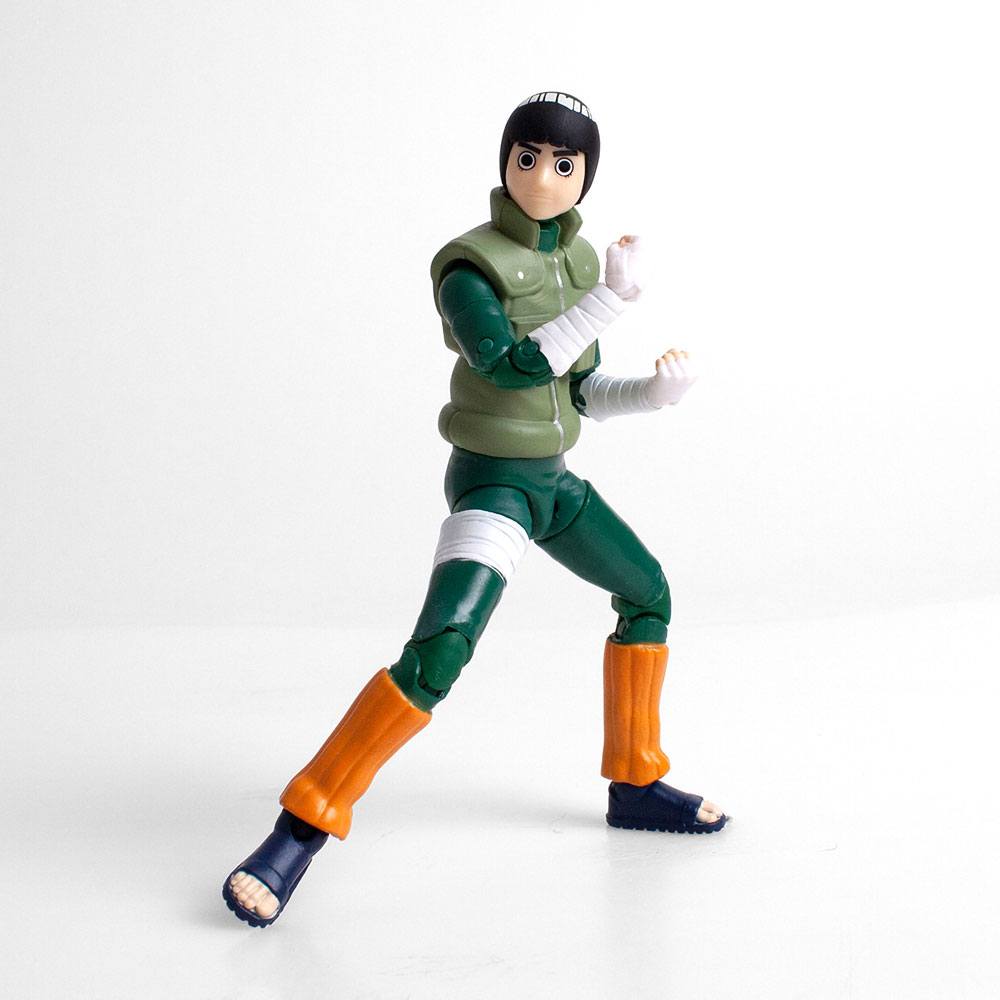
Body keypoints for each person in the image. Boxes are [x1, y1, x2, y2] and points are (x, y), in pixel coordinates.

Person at [223, 91, 727, 928]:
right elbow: (510, 367)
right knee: (440, 650)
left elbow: (578, 393)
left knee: (648, 594)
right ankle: (301, 826)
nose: (543, 178)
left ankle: (636, 781)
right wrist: (612, 302)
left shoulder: (582, 264)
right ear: (504, 161)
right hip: (493, 482)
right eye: (527, 158)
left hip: (552, 484)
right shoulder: (468, 267)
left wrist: (653, 393)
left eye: (563, 164)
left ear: (586, 176)